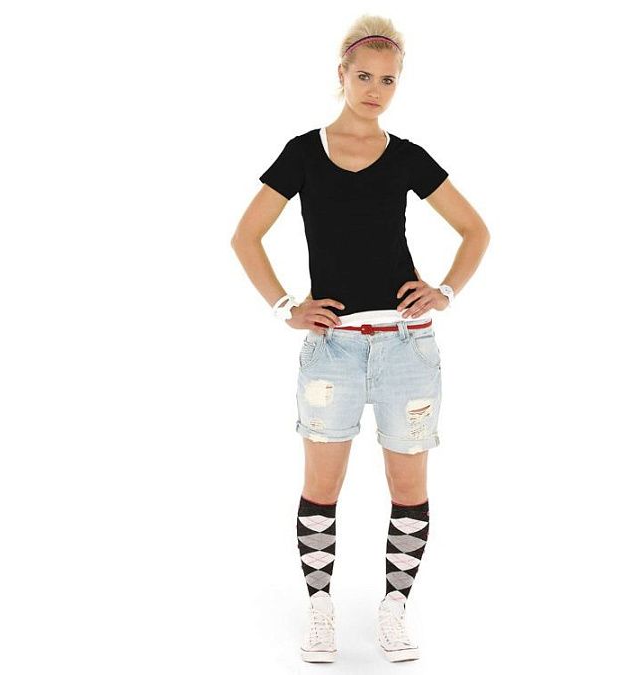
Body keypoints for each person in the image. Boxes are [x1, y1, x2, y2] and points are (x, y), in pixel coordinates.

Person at [231, 14, 490, 663]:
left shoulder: (407, 157)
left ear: (399, 83)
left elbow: (475, 231)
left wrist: (445, 290)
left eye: (388, 80)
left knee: (409, 487)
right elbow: (245, 236)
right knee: (322, 486)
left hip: (407, 346)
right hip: (334, 348)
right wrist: (286, 306)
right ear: (342, 74)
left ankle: (393, 610)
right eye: (365, 76)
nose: (376, 90)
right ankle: (320, 610)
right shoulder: (302, 153)